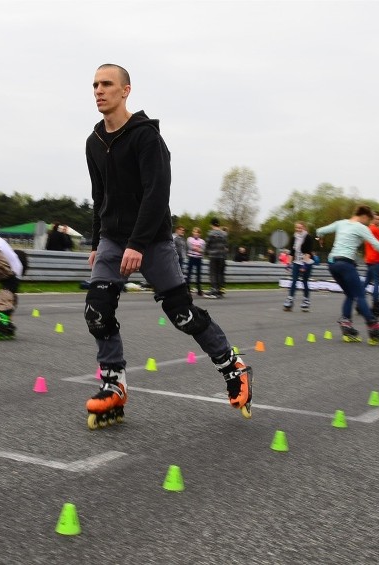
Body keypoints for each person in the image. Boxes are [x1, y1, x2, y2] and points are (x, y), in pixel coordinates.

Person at [82, 63, 252, 429]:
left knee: (183, 314)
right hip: (113, 240)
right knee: (97, 311)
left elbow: (157, 194)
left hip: (153, 240)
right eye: (95, 84)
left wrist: (139, 243)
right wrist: (97, 241)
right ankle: (113, 382)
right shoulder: (94, 143)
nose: (99, 90)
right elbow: (100, 198)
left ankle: (232, 365)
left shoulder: (146, 137)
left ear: (125, 90)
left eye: (107, 84)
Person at [316, 205, 379, 343]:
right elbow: (377, 245)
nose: (367, 224)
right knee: (360, 295)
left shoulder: (340, 223)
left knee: (350, 294)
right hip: (346, 264)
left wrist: (320, 238)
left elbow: (320, 230)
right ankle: (374, 326)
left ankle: (346, 323)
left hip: (332, 265)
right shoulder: (361, 227)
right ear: (364, 216)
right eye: (368, 220)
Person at [283, 221, 315, 312]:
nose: (298, 230)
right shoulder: (294, 237)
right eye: (296, 228)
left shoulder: (308, 237)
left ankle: (306, 300)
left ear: (304, 228)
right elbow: (291, 252)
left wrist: (304, 265)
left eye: (300, 228)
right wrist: (288, 264)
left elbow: (308, 252)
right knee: (294, 281)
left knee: (304, 281)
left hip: (307, 261)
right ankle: (290, 299)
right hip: (297, 262)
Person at [361, 211, 379, 317]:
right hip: (377, 259)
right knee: (376, 282)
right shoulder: (376, 230)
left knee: (367, 281)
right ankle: (376, 305)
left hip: (369, 259)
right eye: (377, 219)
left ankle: (359, 301)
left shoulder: (367, 229)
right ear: (372, 219)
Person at [203, 217, 228, 298]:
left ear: (211, 224)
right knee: (219, 273)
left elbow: (207, 244)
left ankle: (214, 290)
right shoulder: (224, 234)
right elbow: (225, 245)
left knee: (213, 273)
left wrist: (206, 252)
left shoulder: (211, 233)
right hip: (221, 256)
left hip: (213, 256)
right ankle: (219, 291)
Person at [186, 226, 205, 296]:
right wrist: (198, 249)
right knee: (189, 273)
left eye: (197, 232)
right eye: (194, 232)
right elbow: (190, 247)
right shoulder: (189, 239)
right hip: (191, 257)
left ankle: (199, 289)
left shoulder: (202, 241)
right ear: (192, 232)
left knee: (198, 274)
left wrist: (196, 249)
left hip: (199, 258)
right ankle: (187, 288)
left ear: (199, 234)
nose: (196, 233)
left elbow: (203, 250)